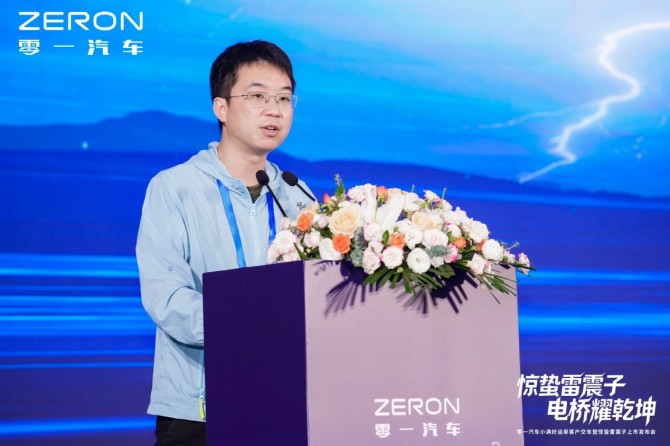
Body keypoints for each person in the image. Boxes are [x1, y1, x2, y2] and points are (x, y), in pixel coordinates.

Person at [136, 40, 312, 446]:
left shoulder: (295, 195)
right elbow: (166, 298)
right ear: (221, 108)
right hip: (199, 405)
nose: (274, 110)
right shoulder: (175, 187)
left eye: (284, 98)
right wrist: (252, 324)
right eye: (257, 96)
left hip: (283, 398)